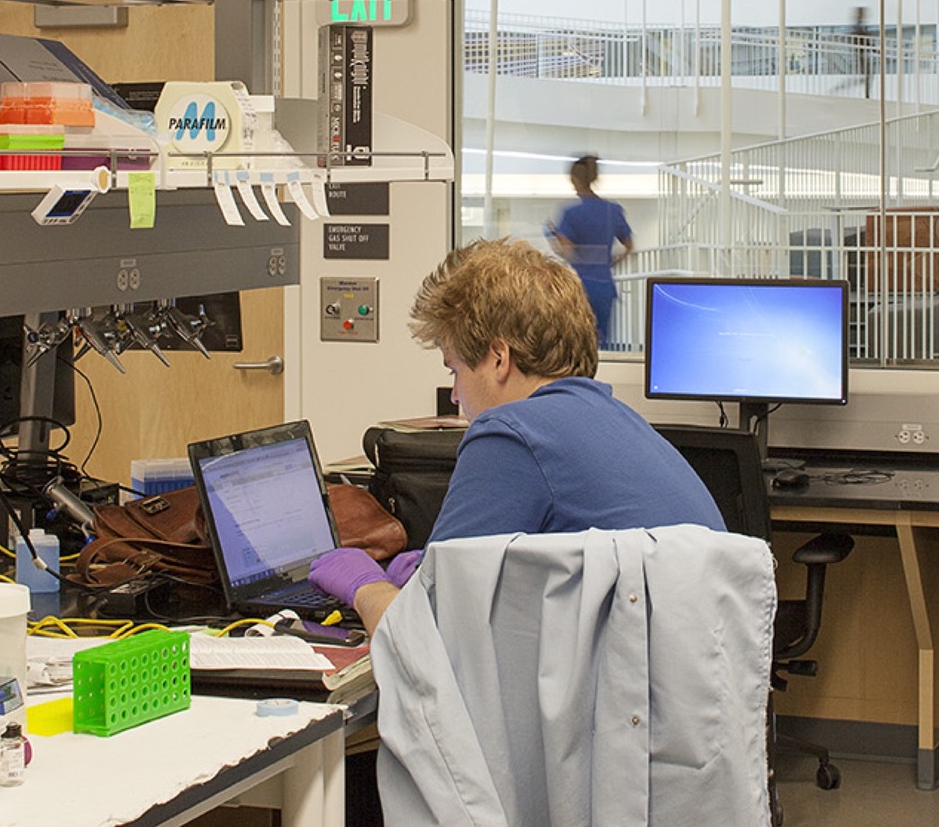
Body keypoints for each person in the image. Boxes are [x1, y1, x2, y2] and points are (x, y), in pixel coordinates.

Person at [307, 239, 723, 634]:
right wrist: (428, 572)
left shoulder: (512, 434)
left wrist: (364, 584)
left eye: (455, 370)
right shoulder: (620, 420)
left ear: (498, 358)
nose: (455, 394)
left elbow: (420, 634)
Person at [545, 153, 634, 348]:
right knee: (602, 341)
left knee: (577, 342)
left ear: (574, 180)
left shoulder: (571, 213)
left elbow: (567, 252)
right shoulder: (612, 210)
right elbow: (629, 246)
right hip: (604, 287)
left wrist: (551, 235)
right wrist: (610, 262)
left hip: (579, 285)